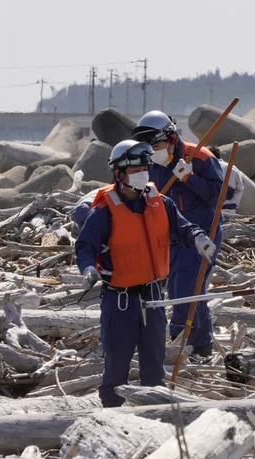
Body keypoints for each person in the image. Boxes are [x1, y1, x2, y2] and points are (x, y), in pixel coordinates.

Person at [74, 141, 215, 407]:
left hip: (153, 300)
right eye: (135, 169)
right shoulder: (104, 212)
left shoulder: (160, 202)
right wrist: (88, 268)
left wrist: (199, 239)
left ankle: (155, 418)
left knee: (154, 370)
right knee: (116, 370)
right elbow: (85, 247)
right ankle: (111, 422)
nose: (142, 173)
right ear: (119, 174)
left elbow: (183, 228)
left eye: (144, 168)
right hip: (120, 303)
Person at [131, 111, 225, 357]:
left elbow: (218, 196)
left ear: (171, 138)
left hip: (201, 236)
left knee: (186, 290)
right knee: (178, 289)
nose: (152, 150)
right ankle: (202, 345)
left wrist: (190, 178)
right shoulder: (149, 162)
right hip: (169, 239)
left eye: (156, 144)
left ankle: (181, 342)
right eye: (147, 146)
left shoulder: (201, 157)